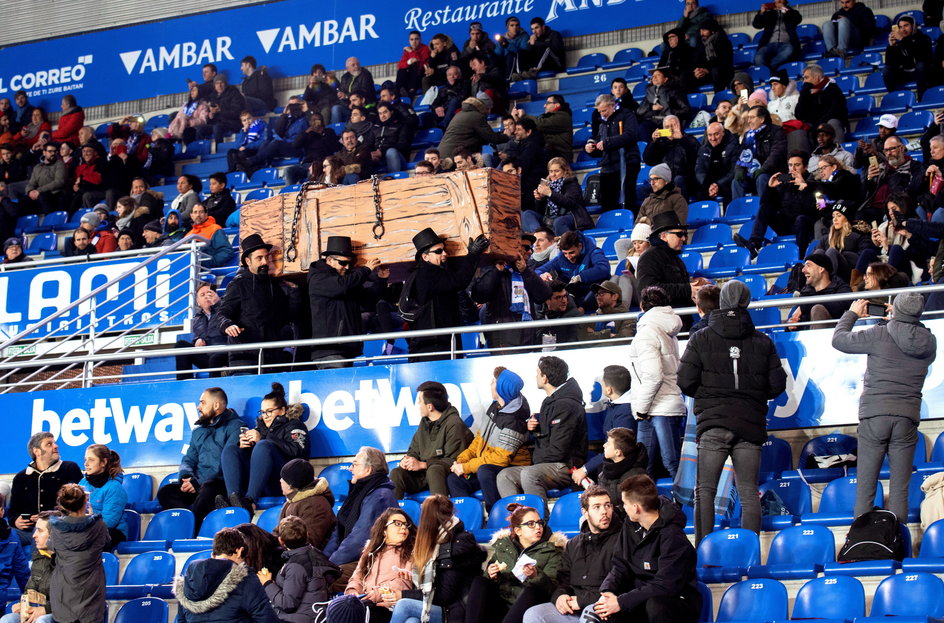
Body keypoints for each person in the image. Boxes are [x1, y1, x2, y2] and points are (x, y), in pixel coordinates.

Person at [678, 281, 787, 543]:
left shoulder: (701, 337)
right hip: (750, 423)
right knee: (749, 492)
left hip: (713, 422)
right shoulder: (763, 341)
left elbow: (684, 380)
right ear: (747, 302)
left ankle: (704, 550)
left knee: (705, 490)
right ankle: (749, 551)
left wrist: (708, 393)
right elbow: (777, 385)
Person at [832, 292, 937, 522]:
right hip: (907, 417)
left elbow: (839, 339)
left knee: (866, 487)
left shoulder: (880, 333)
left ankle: (864, 547)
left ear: (896, 310)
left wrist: (851, 314)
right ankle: (896, 542)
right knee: (900, 490)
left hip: (875, 413)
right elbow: (911, 335)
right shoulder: (929, 341)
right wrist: (903, 318)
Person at [595, 476, 700, 623]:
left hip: (675, 601)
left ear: (636, 508)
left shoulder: (673, 537)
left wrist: (621, 602)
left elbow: (665, 585)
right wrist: (608, 591)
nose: (622, 508)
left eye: (624, 503)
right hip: (642, 596)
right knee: (609, 611)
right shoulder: (630, 524)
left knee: (655, 606)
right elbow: (620, 564)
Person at [522, 486, 622, 623]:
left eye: (607, 505)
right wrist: (560, 596)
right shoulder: (573, 544)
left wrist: (582, 601)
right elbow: (563, 581)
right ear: (585, 513)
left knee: (590, 613)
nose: (604, 511)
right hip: (573, 607)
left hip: (601, 607)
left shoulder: (622, 540)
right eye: (597, 507)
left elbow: (622, 586)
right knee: (533, 614)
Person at [497, 356, 587, 503]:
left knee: (529, 473)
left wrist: (537, 459)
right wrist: (536, 427)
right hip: (546, 465)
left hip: (565, 466)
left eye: (538, 373)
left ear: (545, 378)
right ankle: (519, 519)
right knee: (504, 476)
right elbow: (550, 433)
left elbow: (559, 450)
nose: (536, 376)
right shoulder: (550, 401)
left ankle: (539, 522)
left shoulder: (566, 405)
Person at [388, 495, 485, 623]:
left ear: (427, 518)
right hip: (440, 605)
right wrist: (414, 576)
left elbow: (444, 595)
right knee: (412, 621)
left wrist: (403, 594)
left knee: (403, 605)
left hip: (454, 610)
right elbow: (438, 577)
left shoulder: (454, 545)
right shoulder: (438, 541)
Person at [157, 387, 242, 529]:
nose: (198, 407)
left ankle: (194, 532)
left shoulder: (236, 426)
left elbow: (226, 463)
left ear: (216, 405)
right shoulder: (198, 431)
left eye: (203, 403)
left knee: (207, 490)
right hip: (196, 484)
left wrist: (198, 482)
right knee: (166, 492)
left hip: (219, 483)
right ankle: (191, 520)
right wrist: (186, 477)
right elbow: (188, 459)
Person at [220, 382, 309, 515]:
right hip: (262, 481)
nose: (265, 416)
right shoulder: (260, 428)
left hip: (286, 482)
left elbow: (298, 452)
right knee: (232, 450)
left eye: (269, 411)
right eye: (262, 412)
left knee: (263, 446)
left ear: (282, 410)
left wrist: (262, 439)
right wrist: (244, 447)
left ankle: (250, 502)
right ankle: (234, 499)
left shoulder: (295, 425)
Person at [448, 367, 531, 508]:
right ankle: (465, 518)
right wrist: (461, 461)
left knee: (485, 471)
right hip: (487, 466)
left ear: (501, 389)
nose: (490, 385)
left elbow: (500, 459)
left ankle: (494, 514)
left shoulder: (515, 421)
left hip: (511, 467)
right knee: (454, 479)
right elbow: (479, 440)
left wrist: (466, 467)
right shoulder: (494, 407)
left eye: (493, 382)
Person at [628, 286, 686, 479]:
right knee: (645, 467)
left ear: (642, 305)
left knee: (671, 463)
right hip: (660, 405)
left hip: (657, 407)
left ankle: (688, 506)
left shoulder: (648, 332)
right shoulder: (666, 328)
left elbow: (653, 376)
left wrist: (641, 408)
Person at [404, 228, 489, 358]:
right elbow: (459, 281)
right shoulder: (426, 274)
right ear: (425, 256)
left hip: (440, 342)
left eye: (445, 250)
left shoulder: (429, 272)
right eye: (438, 251)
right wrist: (472, 254)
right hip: (434, 346)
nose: (444, 254)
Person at [217, 234, 296, 371]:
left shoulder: (276, 286)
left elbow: (288, 316)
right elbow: (222, 313)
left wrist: (296, 291)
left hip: (273, 360)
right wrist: (228, 325)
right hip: (245, 361)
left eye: (266, 257)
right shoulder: (238, 284)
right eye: (259, 258)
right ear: (248, 262)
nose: (264, 262)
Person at [308, 236, 387, 368]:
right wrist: (366, 270)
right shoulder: (318, 278)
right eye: (343, 263)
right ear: (329, 260)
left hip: (347, 348)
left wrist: (381, 281)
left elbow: (366, 301)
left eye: (350, 263)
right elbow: (341, 286)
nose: (347, 267)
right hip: (329, 351)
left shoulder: (347, 282)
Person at [174, 527, 280, 623]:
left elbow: (181, 620)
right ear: (239, 551)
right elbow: (267, 619)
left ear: (213, 554)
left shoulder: (188, 579)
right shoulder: (245, 577)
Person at [324, 447, 397, 584]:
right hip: (353, 559)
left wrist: (330, 565)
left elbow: (359, 539)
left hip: (371, 561)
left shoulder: (379, 496)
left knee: (323, 580)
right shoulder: (359, 492)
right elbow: (338, 531)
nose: (350, 469)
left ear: (368, 470)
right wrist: (324, 560)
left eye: (355, 464)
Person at [482, 503, 565, 623]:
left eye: (540, 523)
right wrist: (491, 575)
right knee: (479, 582)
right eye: (531, 524)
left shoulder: (552, 550)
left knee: (532, 590)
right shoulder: (504, 546)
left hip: (528, 605)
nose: (538, 527)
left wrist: (536, 576)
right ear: (518, 530)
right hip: (502, 602)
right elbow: (490, 580)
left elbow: (553, 589)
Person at [391, 381, 473, 499]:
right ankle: (394, 514)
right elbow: (414, 450)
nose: (418, 405)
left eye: (419, 401)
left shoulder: (454, 424)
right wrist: (408, 459)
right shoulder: (424, 422)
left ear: (430, 406)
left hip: (445, 475)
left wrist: (424, 465)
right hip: (423, 474)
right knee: (396, 473)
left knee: (434, 470)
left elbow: (455, 460)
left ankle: (440, 514)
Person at [471, 235, 551, 348]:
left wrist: (525, 271)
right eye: (527, 248)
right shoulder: (492, 270)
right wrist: (496, 271)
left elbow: (543, 295)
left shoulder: (527, 272)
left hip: (530, 338)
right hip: (503, 340)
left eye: (531, 248)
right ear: (514, 247)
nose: (530, 252)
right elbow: (479, 295)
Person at [46, 484, 108, 623]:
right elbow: (107, 543)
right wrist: (91, 517)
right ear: (85, 500)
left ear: (63, 505)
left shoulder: (56, 528)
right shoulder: (99, 525)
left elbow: (50, 548)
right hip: (91, 597)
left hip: (63, 598)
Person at [261, 516, 339, 623]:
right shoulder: (314, 553)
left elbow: (288, 605)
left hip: (299, 619)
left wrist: (267, 583)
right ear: (306, 535)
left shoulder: (296, 566)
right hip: (312, 615)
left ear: (280, 540)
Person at [8, 433, 82, 546]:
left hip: (58, 527)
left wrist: (47, 517)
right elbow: (12, 511)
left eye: (54, 443)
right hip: (26, 531)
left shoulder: (69, 469)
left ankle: (36, 562)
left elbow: (78, 504)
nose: (56, 446)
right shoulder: (21, 477)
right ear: (36, 451)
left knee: (41, 534)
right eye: (49, 444)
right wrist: (15, 521)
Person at [344, 508, 417, 623]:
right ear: (384, 530)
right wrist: (353, 591)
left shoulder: (412, 552)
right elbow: (357, 577)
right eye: (397, 524)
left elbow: (404, 582)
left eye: (405, 525)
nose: (403, 527)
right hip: (365, 602)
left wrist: (378, 593)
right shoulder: (370, 551)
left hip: (389, 607)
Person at [636, 212, 703, 317]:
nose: (684, 239)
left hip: (679, 320)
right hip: (662, 322)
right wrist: (688, 289)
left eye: (685, 234)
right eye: (679, 234)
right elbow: (649, 290)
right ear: (664, 236)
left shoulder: (676, 259)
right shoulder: (649, 257)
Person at [587, 93, 641, 213]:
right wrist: (592, 148)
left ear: (613, 105)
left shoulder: (627, 115)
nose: (602, 114)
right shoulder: (602, 122)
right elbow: (599, 141)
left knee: (627, 198)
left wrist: (607, 142)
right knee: (607, 201)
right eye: (600, 111)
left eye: (604, 110)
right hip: (608, 165)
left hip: (627, 161)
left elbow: (630, 135)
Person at [0, 510, 56, 623]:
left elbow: (72, 600)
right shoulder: (39, 557)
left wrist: (45, 609)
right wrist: (24, 604)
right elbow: (29, 589)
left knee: (42, 620)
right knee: (8, 619)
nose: (34, 535)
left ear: (54, 534)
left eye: (39, 531)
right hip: (41, 609)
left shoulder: (70, 562)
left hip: (61, 613)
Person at [535, 231, 610, 312]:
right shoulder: (560, 258)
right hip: (571, 295)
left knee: (600, 284)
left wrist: (581, 277)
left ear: (580, 246)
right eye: (565, 253)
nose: (569, 257)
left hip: (590, 293)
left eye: (571, 252)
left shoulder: (594, 252)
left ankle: (580, 311)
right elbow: (538, 271)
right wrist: (542, 275)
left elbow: (604, 268)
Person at [862, 136, 924, 225]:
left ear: (902, 148)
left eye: (892, 149)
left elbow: (914, 189)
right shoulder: (882, 167)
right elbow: (867, 192)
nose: (888, 153)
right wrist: (869, 178)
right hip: (874, 208)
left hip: (896, 208)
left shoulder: (914, 166)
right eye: (886, 150)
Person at [810, 201, 875, 284]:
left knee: (831, 251)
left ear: (847, 218)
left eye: (839, 215)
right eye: (833, 216)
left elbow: (863, 259)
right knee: (819, 252)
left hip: (848, 275)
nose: (835, 219)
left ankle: (829, 284)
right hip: (823, 276)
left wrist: (844, 255)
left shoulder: (859, 236)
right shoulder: (826, 239)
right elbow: (811, 260)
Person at [732, 106, 787, 203]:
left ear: (762, 119)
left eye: (752, 117)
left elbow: (776, 154)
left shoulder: (776, 131)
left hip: (772, 173)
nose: (748, 121)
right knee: (736, 181)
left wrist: (763, 169)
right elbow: (741, 155)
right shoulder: (748, 135)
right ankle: (739, 210)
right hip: (752, 173)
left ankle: (764, 210)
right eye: (748, 118)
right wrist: (739, 170)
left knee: (761, 178)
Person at [277, 459, 335, 550]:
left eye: (283, 478)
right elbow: (278, 533)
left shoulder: (315, 505)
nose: (280, 480)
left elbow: (307, 544)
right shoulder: (292, 501)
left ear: (291, 485)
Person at [78, 444, 128, 549]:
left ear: (103, 462)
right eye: (85, 460)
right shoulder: (83, 482)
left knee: (84, 539)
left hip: (111, 532)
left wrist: (91, 516)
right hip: (86, 526)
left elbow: (109, 522)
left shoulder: (114, 487)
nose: (86, 464)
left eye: (91, 460)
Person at [786, 254, 853, 328]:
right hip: (807, 337)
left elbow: (839, 306)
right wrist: (791, 327)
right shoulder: (805, 293)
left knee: (818, 309)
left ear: (821, 269)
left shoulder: (842, 289)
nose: (803, 270)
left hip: (836, 335)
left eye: (808, 265)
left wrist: (804, 307)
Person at [438, 97, 510, 160]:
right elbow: (492, 138)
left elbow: (478, 138)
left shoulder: (459, 114)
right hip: (455, 156)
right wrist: (506, 136)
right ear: (483, 108)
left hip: (443, 154)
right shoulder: (477, 116)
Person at [796, 65, 849, 143]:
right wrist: (804, 93)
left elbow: (836, 112)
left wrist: (819, 124)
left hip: (831, 123)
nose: (804, 81)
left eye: (806, 78)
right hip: (814, 126)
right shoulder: (807, 92)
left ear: (816, 78)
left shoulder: (833, 89)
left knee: (832, 122)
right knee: (800, 129)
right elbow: (799, 115)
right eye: (803, 78)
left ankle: (838, 152)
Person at [695, 122, 739, 200]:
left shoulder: (733, 145)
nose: (713, 138)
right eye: (710, 135)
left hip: (726, 182)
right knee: (700, 192)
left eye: (716, 134)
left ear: (723, 133)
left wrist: (718, 184)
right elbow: (699, 170)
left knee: (728, 190)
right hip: (708, 183)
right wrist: (708, 185)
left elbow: (733, 171)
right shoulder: (704, 148)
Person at [752, 0, 802, 69]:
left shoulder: (791, 11)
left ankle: (770, 69)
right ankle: (766, 73)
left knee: (788, 51)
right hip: (769, 44)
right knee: (758, 58)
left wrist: (784, 9)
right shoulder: (768, 12)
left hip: (786, 44)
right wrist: (761, 13)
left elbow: (798, 19)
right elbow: (757, 25)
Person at [201, 75, 248, 144]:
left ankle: (219, 150)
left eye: (221, 83)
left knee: (217, 127)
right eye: (217, 83)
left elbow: (237, 112)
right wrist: (210, 114)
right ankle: (200, 150)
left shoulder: (234, 93)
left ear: (225, 84)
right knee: (200, 129)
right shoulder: (212, 96)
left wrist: (221, 110)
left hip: (232, 123)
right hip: (218, 122)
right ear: (214, 85)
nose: (219, 85)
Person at [188, 203, 235, 268]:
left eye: (201, 212)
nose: (198, 215)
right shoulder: (188, 235)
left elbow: (226, 250)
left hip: (206, 270)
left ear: (206, 214)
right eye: (195, 212)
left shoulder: (215, 229)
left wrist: (211, 263)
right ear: (191, 215)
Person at [692, 20, 734, 92]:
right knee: (686, 76)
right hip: (706, 73)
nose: (702, 33)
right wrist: (697, 70)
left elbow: (724, 62)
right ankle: (692, 100)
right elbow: (696, 60)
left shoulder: (723, 42)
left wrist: (707, 70)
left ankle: (718, 98)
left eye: (704, 30)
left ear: (712, 31)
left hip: (723, 73)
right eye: (700, 31)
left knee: (716, 71)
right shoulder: (700, 44)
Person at [542, 280, 583, 347]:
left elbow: (572, 347)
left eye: (565, 296)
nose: (564, 301)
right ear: (547, 301)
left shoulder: (574, 319)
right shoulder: (540, 314)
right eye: (558, 297)